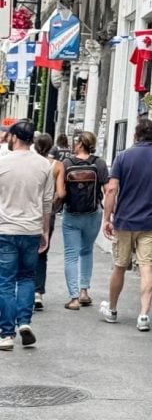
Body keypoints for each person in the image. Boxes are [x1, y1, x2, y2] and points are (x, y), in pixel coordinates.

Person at [101, 118, 152, 331]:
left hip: (125, 221)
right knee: (146, 267)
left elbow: (111, 189)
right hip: (150, 222)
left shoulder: (123, 157)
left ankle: (113, 309)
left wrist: (107, 218)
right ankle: (143, 315)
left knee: (119, 266)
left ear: (135, 135)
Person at [0, 119, 54, 349]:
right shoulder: (44, 165)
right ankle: (24, 321)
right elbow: (47, 201)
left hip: (5, 228)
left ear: (14, 137)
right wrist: (45, 231)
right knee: (26, 277)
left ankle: (6, 334)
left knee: (5, 281)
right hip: (31, 228)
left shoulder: (2, 162)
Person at [61, 131, 109, 310]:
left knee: (71, 255)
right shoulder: (99, 163)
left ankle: (73, 298)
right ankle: (84, 292)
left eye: (76, 141)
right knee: (86, 251)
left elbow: (61, 191)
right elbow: (109, 190)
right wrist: (110, 215)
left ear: (80, 143)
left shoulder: (66, 163)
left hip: (71, 215)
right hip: (92, 214)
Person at [32, 133, 66, 310]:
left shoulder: (31, 162)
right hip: (48, 213)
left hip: (28, 210)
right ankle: (38, 292)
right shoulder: (57, 165)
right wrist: (51, 202)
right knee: (42, 251)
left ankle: (22, 288)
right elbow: (61, 193)